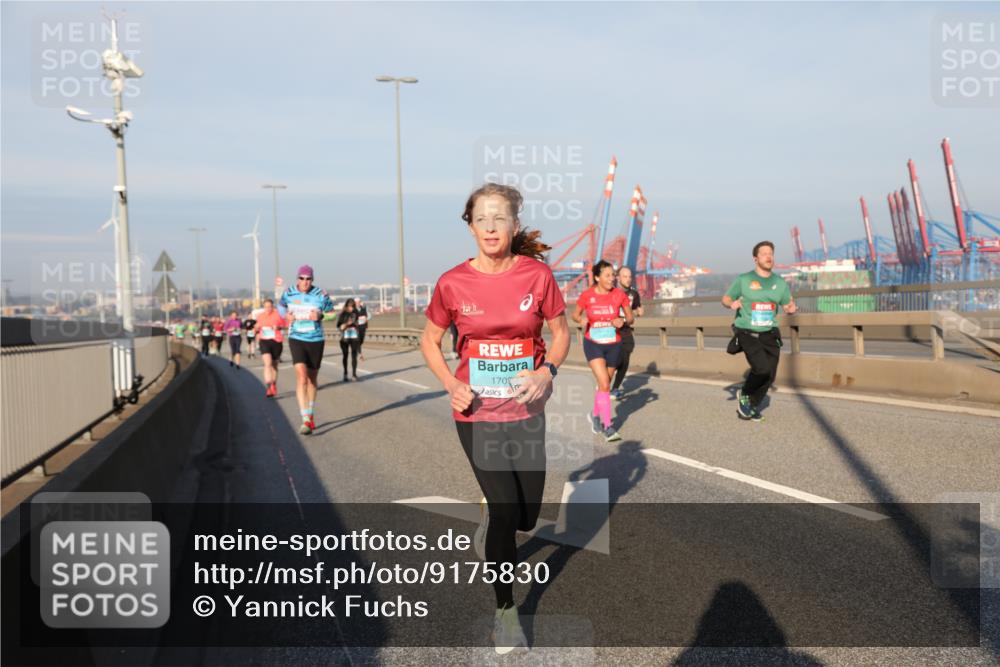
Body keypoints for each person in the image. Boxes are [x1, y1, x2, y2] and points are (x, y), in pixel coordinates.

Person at [420, 183, 569, 655]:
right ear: (470, 226)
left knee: (526, 517)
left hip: (526, 410)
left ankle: (495, 518)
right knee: (506, 510)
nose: (490, 227)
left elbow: (562, 332)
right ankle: (506, 613)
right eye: (481, 218)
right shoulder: (452, 283)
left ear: (514, 225)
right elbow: (429, 340)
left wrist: (547, 371)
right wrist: (451, 383)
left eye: (499, 217)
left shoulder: (537, 276)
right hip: (476, 413)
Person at [722, 240, 797, 421]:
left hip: (770, 333)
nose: (768, 256)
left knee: (770, 375)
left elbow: (787, 303)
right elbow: (726, 298)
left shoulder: (779, 283)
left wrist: (790, 308)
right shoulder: (744, 279)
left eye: (771, 253)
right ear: (755, 259)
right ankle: (745, 393)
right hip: (747, 332)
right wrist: (731, 304)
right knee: (761, 369)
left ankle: (751, 405)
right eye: (764, 254)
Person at [572, 260, 633, 442]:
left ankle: (595, 415)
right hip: (593, 343)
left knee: (603, 385)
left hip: (614, 344)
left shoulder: (619, 295)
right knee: (605, 383)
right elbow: (575, 314)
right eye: (607, 275)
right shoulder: (587, 295)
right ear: (597, 277)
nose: (611, 278)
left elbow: (630, 317)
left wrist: (622, 320)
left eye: (613, 275)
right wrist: (580, 320)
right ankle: (608, 426)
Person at [280, 265, 334, 435]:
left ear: (312, 280)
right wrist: (285, 316)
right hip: (296, 338)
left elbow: (332, 313)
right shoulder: (288, 293)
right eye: (302, 278)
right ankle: (305, 419)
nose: (305, 282)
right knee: (302, 378)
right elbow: (281, 308)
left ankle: (310, 413)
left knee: (311, 379)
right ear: (297, 278)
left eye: (308, 279)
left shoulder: (321, 294)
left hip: (316, 340)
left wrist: (320, 316)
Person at [610, 266, 644, 400]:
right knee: (613, 359)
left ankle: (615, 389)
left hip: (625, 330)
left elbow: (636, 309)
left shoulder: (634, 294)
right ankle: (603, 382)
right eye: (625, 276)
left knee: (625, 361)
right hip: (611, 330)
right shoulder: (610, 291)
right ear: (618, 277)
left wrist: (639, 312)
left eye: (630, 277)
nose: (628, 279)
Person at [254, 299, 286, 398]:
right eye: (266, 307)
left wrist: (278, 327)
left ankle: (273, 384)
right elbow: (256, 328)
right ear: (263, 307)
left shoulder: (278, 315)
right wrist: (256, 327)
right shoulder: (260, 316)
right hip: (264, 341)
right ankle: (268, 387)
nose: (268, 308)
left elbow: (285, 325)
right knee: (267, 364)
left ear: (273, 306)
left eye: (270, 306)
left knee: (274, 365)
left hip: (276, 341)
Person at [337, 298, 361, 381]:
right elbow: (339, 326)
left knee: (354, 356)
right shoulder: (343, 314)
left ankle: (354, 374)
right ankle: (345, 373)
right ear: (346, 306)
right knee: (345, 355)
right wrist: (347, 324)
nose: (351, 308)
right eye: (350, 306)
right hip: (345, 338)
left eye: (353, 306)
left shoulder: (356, 313)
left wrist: (357, 324)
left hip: (354, 337)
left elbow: (359, 324)